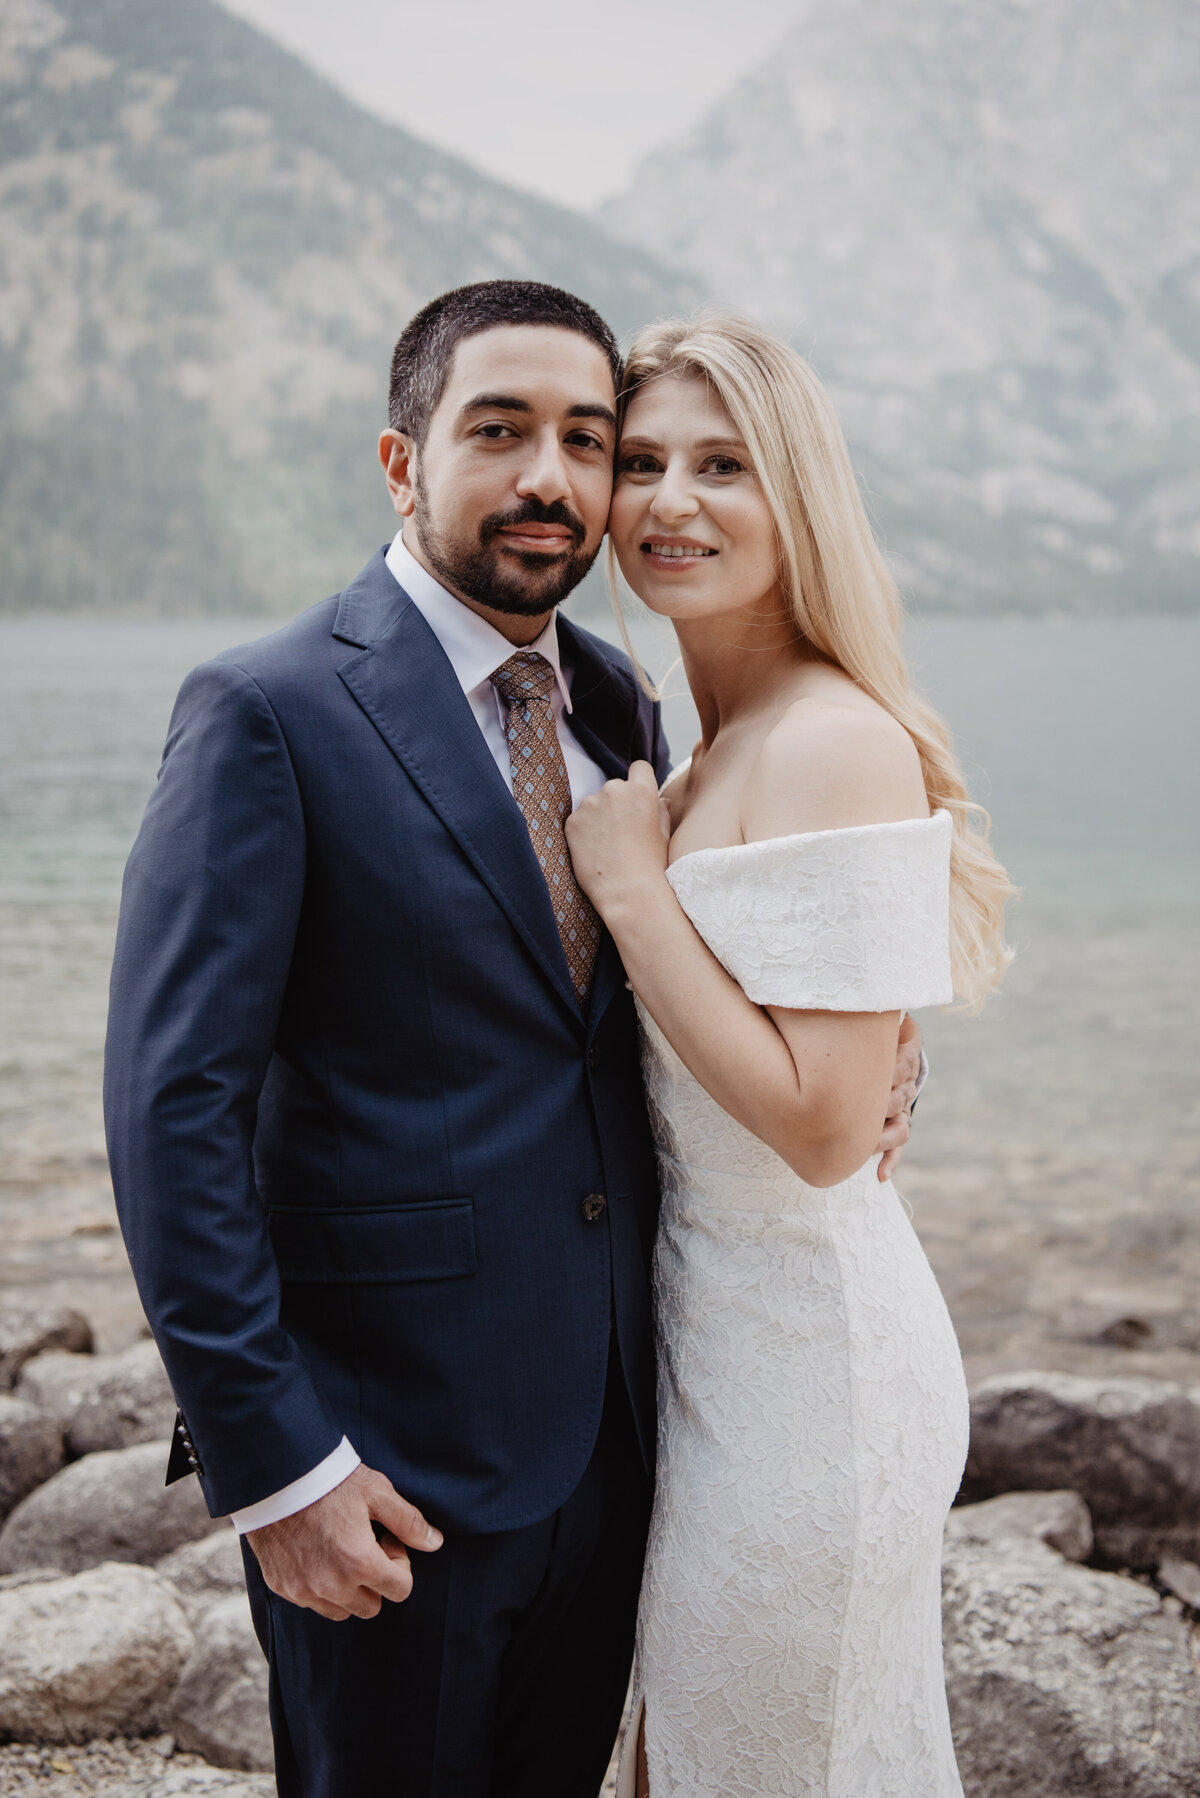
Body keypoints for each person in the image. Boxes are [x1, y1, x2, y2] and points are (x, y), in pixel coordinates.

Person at [103, 281, 923, 1798]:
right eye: (501, 430)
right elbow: (171, 1115)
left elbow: (691, 984)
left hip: (630, 1442)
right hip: (388, 1469)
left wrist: (883, 1043)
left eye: (585, 439)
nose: (552, 474)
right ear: (403, 461)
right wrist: (277, 1464)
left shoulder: (621, 702)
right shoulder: (268, 710)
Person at [565, 313, 1013, 1798]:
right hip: (718, 1351)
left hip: (812, 1376)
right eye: (640, 462)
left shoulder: (827, 735)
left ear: (797, 495)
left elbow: (824, 1132)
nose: (671, 501)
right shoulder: (696, 745)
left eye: (724, 464)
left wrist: (630, 890)